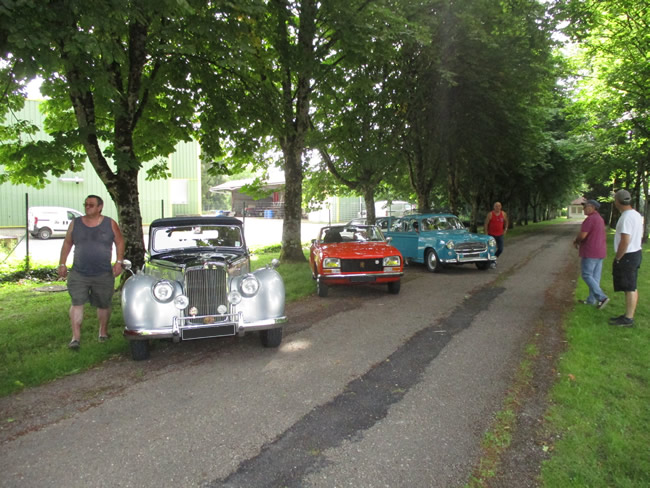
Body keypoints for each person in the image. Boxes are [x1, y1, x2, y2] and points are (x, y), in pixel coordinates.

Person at [58, 195, 125, 348]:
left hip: (103, 273)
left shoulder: (110, 223)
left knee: (103, 304)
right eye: (86, 204)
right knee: (77, 303)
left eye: (91, 205)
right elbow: (67, 243)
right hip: (79, 273)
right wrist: (62, 263)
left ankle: (103, 333)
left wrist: (119, 262)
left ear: (100, 207)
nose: (87, 207)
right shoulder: (75, 223)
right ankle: (75, 338)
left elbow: (120, 241)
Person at [609, 189, 643, 327]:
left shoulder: (626, 218)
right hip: (635, 252)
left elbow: (625, 241)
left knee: (630, 287)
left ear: (617, 201)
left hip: (628, 255)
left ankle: (628, 318)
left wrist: (618, 257)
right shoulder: (635, 214)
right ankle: (628, 315)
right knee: (631, 286)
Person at [573, 199, 608, 308]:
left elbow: (583, 235)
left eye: (585, 206)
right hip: (600, 251)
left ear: (592, 207)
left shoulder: (590, 219)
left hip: (590, 251)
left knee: (586, 275)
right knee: (595, 277)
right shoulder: (600, 219)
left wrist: (576, 241)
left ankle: (602, 298)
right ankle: (591, 300)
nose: (583, 209)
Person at [485, 201, 508, 267]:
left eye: (499, 206)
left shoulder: (503, 214)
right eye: (496, 206)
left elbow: (506, 222)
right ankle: (491, 261)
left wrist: (505, 229)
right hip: (491, 235)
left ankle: (493, 259)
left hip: (500, 234)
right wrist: (486, 233)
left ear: (501, 207)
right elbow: (486, 224)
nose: (497, 207)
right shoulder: (490, 214)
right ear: (494, 207)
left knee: (500, 249)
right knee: (492, 249)